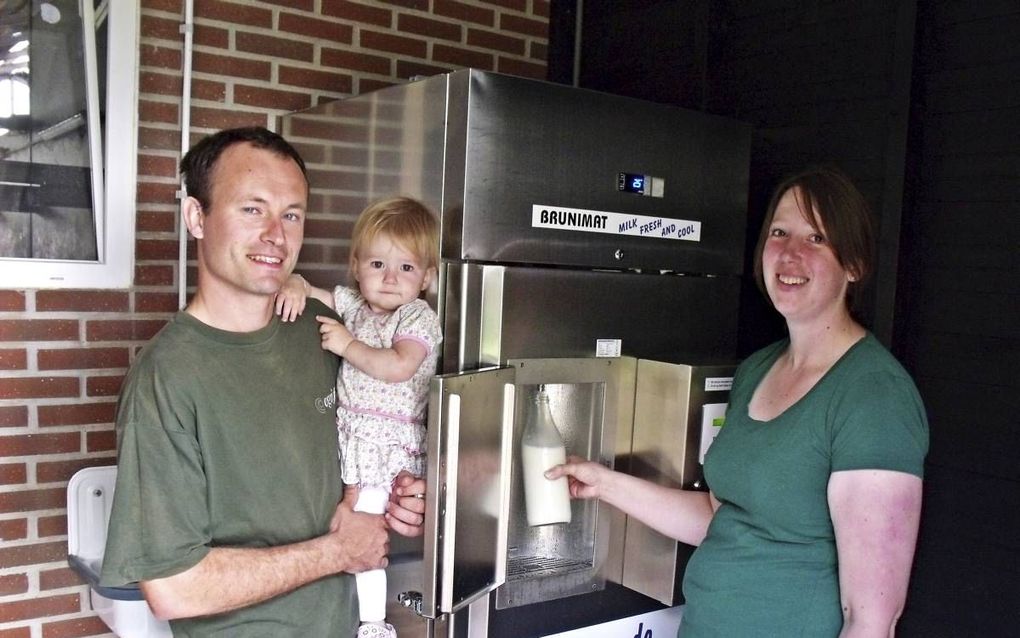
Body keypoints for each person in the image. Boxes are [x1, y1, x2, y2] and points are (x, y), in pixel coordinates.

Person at [548, 166, 928, 637]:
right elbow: (719, 518)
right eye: (779, 232)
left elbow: (870, 619)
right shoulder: (757, 371)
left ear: (854, 266)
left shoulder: (873, 396)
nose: (789, 253)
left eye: (816, 239)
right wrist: (603, 484)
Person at [99, 127, 427, 638]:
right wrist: (339, 550)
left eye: (291, 214)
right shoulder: (166, 378)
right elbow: (173, 587)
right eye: (252, 209)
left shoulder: (326, 330)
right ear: (196, 217)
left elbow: (377, 434)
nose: (276, 234)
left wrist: (401, 497)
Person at [275, 196, 441, 638]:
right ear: (356, 266)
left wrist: (347, 346)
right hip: (355, 440)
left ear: (427, 276)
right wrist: (294, 282)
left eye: (406, 268)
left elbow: (399, 366)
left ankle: (373, 623)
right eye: (377, 264)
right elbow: (314, 293)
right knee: (344, 512)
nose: (389, 278)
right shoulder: (355, 307)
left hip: (389, 446)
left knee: (361, 523)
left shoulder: (417, 316)